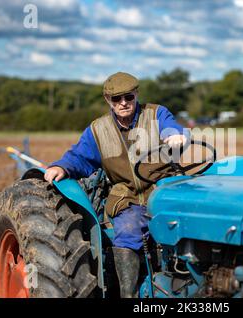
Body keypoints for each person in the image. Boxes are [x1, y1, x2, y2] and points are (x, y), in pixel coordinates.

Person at [44, 72, 188, 297]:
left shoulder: (156, 114)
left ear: (136, 95)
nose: (123, 103)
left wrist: (175, 136)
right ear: (107, 100)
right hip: (127, 196)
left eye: (128, 97)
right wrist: (62, 167)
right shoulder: (98, 130)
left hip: (163, 189)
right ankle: (128, 294)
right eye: (116, 99)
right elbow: (80, 157)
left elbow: (172, 128)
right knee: (129, 230)